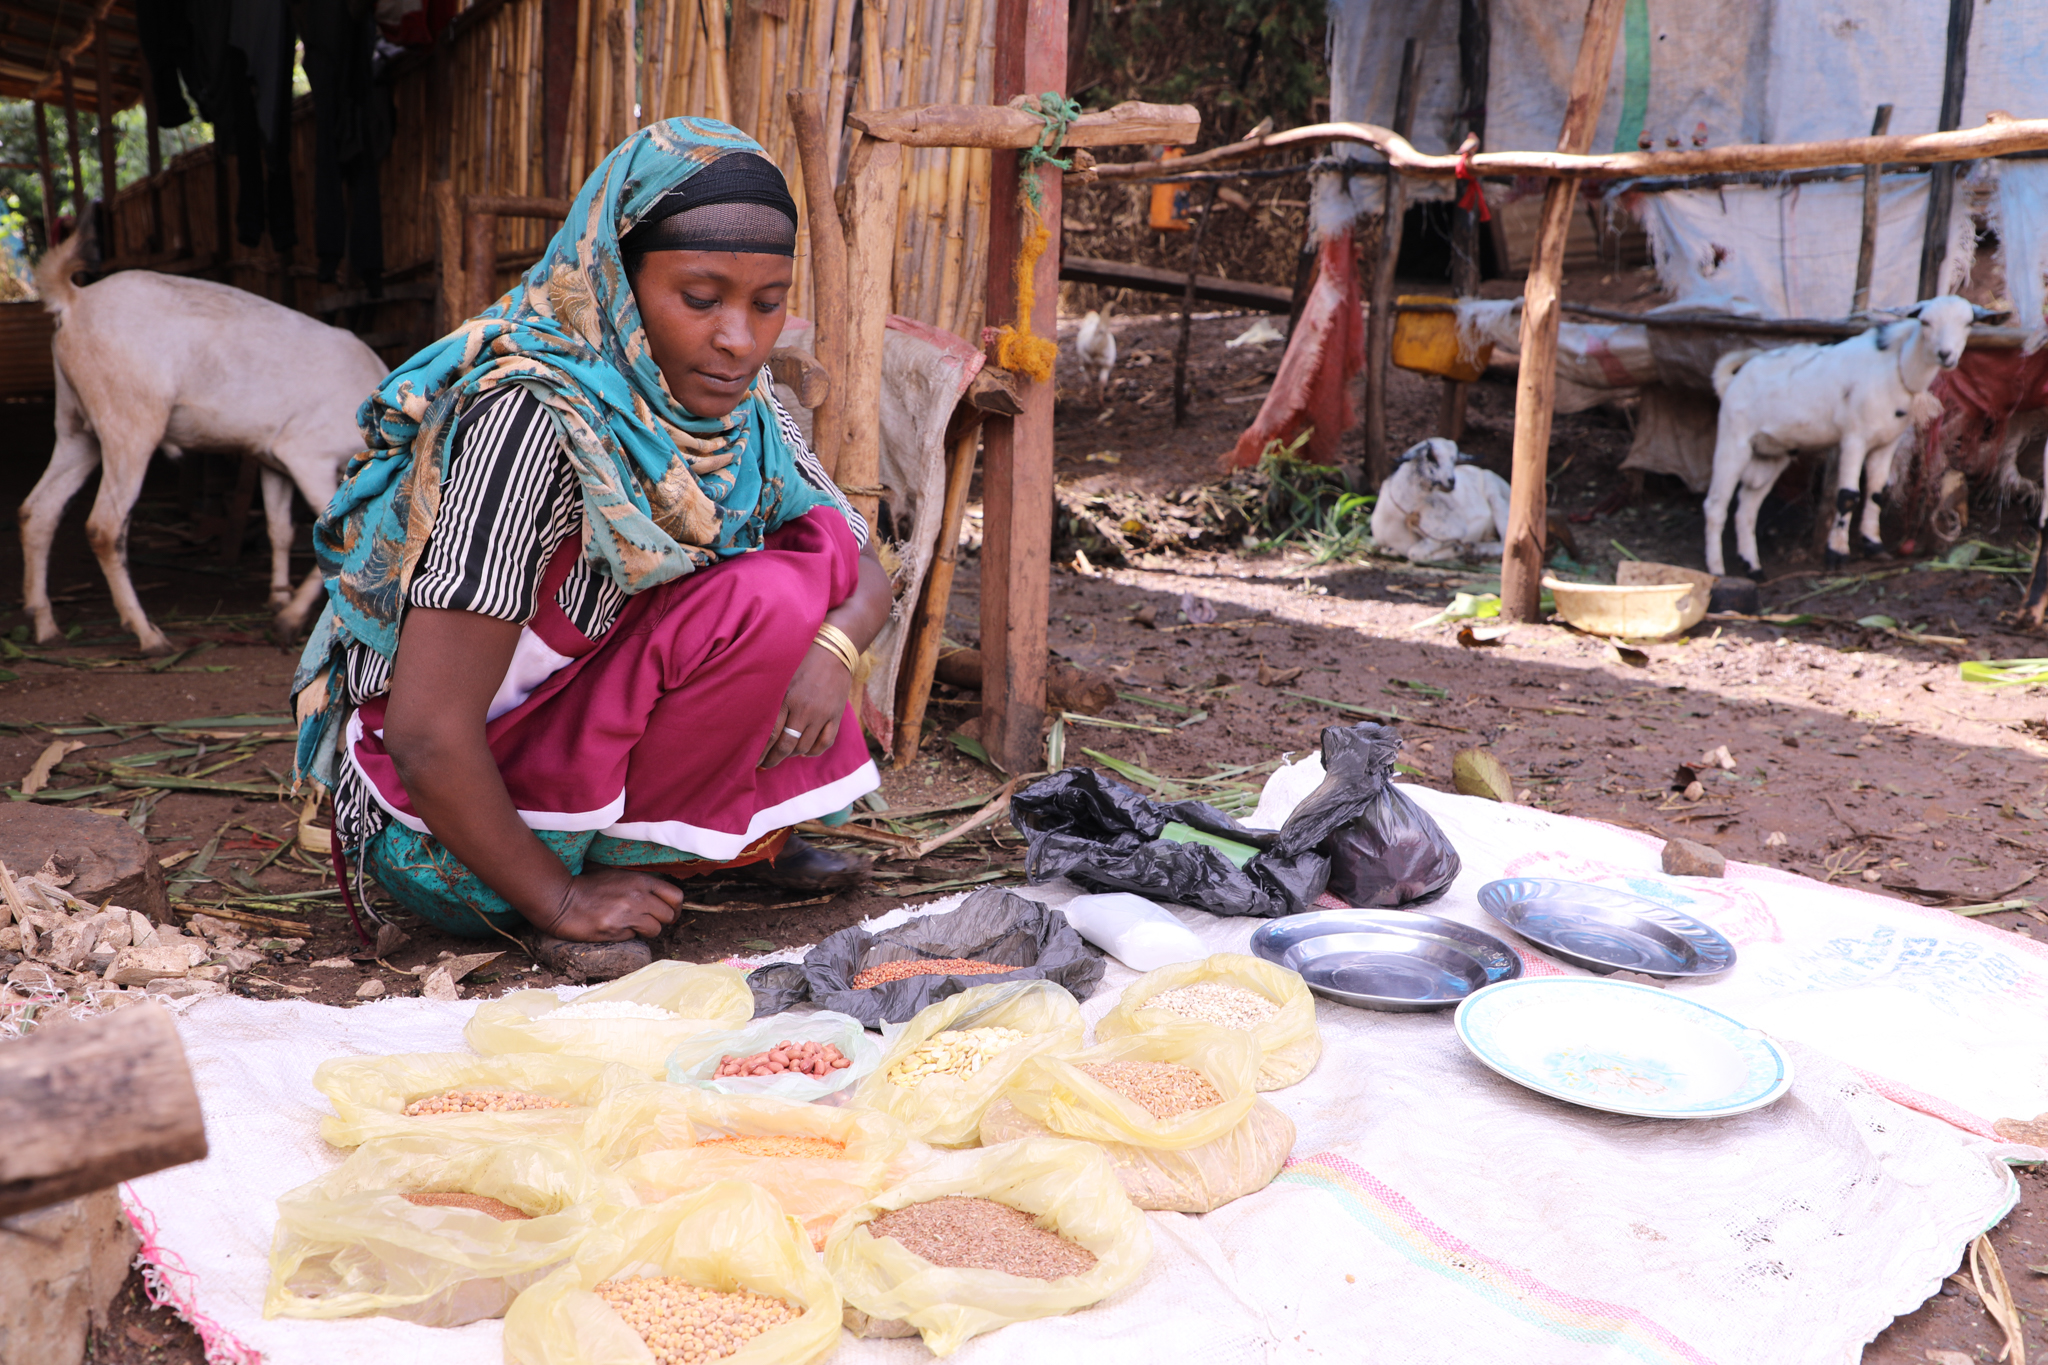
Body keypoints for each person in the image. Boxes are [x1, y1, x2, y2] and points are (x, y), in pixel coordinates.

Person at [290, 118, 887, 979]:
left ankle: (684, 845)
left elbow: (864, 566)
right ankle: (574, 872)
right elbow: (426, 733)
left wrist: (835, 650)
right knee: (766, 595)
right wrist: (559, 904)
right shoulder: (532, 421)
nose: (740, 340)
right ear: (616, 278)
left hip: (594, 727)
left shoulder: (745, 412)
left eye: (767, 303)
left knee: (806, 565)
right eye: (701, 297)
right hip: (447, 800)